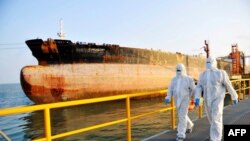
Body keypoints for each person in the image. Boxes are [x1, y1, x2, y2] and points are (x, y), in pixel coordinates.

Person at [194, 57, 238, 141]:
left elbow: (228, 85)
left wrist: (234, 96)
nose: (208, 63)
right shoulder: (203, 74)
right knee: (211, 119)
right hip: (207, 100)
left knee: (216, 118)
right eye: (207, 62)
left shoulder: (221, 73)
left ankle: (215, 138)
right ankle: (217, 134)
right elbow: (199, 86)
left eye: (210, 62)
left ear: (214, 63)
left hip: (217, 99)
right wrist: (197, 97)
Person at [165, 63, 195, 141]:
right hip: (177, 100)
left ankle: (181, 134)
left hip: (185, 99)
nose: (178, 70)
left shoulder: (189, 79)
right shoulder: (174, 79)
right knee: (182, 115)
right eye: (177, 69)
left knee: (182, 116)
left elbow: (193, 89)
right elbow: (170, 89)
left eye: (180, 69)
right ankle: (190, 124)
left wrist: (195, 99)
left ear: (183, 69)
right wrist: (168, 97)